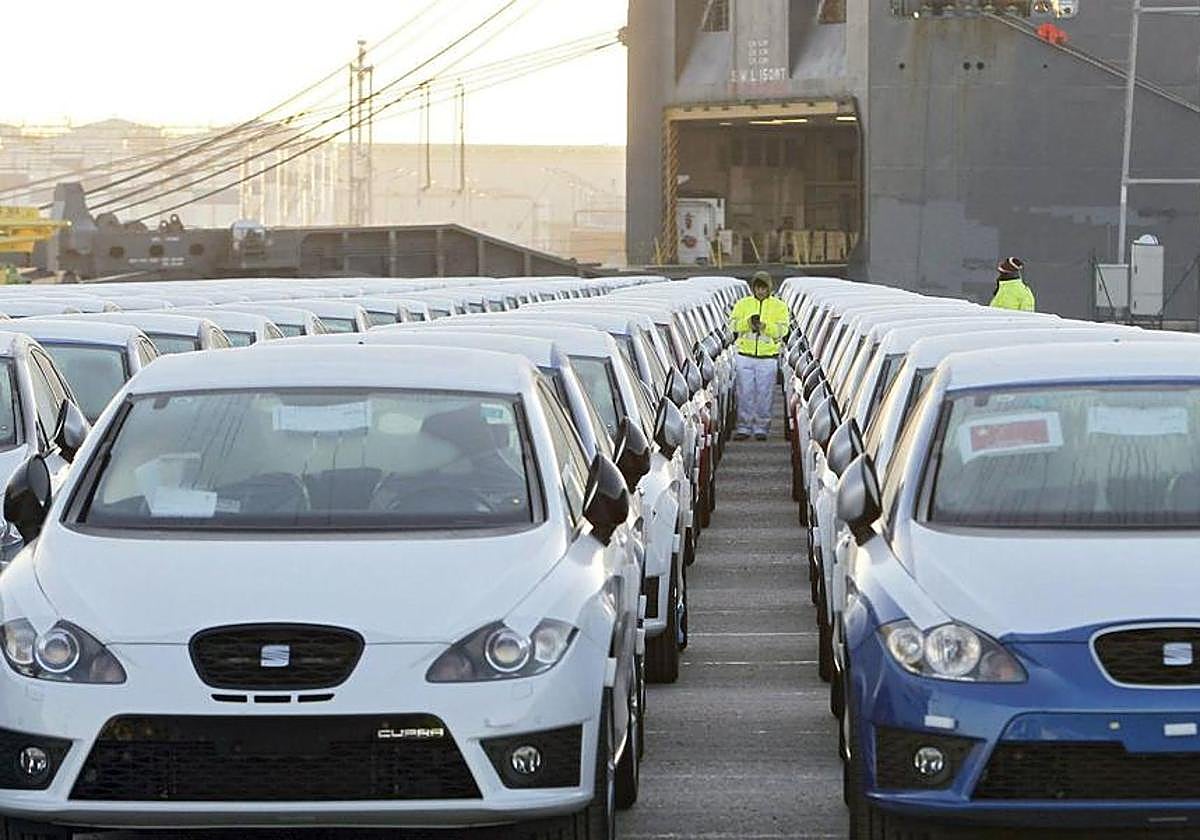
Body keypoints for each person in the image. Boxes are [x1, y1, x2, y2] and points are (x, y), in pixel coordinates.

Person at [730, 271, 790, 441]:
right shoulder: (743, 304)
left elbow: (783, 330)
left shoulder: (779, 306)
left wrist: (765, 327)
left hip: (767, 357)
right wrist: (748, 323)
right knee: (744, 393)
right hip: (745, 355)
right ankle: (744, 427)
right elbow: (733, 325)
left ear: (769, 288)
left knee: (765, 394)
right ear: (753, 288)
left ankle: (762, 428)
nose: (760, 291)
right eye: (757, 288)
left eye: (763, 288)